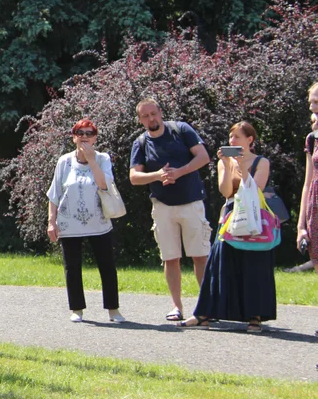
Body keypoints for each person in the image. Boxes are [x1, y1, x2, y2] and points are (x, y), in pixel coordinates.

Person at [181, 122, 277, 331]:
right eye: (230, 137)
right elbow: (225, 192)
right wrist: (225, 164)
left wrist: (243, 168)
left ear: (250, 140)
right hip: (230, 217)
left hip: (253, 216)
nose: (232, 141)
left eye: (237, 137)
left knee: (254, 265)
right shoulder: (225, 161)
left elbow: (255, 189)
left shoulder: (262, 162)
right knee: (218, 264)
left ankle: (255, 315)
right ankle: (203, 313)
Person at [129, 99, 211, 322]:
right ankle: (177, 306)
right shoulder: (140, 142)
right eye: (145, 116)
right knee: (170, 258)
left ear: (161, 112)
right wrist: (158, 175)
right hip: (163, 207)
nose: (151, 119)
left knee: (200, 256)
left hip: (192, 202)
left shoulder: (181, 129)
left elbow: (203, 157)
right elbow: (134, 177)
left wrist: (179, 172)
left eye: (153, 114)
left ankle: (206, 307)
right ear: (139, 120)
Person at [46, 119, 125, 323]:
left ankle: (113, 310)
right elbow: (54, 194)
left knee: (107, 265)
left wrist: (91, 160)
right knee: (72, 266)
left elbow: (104, 186)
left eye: (89, 133)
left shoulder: (102, 159)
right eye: (80, 133)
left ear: (95, 138)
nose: (84, 137)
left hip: (98, 223)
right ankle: (77, 309)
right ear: (74, 137)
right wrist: (51, 222)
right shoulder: (64, 161)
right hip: (69, 223)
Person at [293, 84, 318, 271]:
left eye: (316, 102)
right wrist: (301, 226)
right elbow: (307, 184)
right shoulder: (312, 139)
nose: (311, 107)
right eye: (310, 102)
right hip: (315, 211)